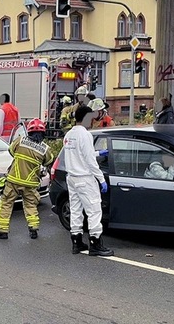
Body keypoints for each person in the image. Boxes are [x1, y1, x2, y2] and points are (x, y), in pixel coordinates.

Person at [0, 118, 56, 240]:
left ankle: (1, 231)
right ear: (43, 133)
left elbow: (11, 151)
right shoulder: (45, 149)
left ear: (29, 132)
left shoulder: (20, 141)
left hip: (14, 180)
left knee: (6, 204)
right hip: (31, 183)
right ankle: (33, 229)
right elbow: (49, 161)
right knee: (30, 205)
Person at [63, 104, 113, 257]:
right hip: (85, 179)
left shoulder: (69, 135)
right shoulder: (85, 135)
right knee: (94, 211)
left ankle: (76, 242)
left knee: (76, 210)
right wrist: (101, 179)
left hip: (72, 178)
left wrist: (98, 152)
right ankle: (95, 243)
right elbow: (90, 160)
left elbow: (79, 154)